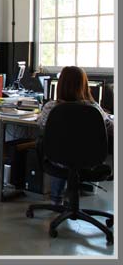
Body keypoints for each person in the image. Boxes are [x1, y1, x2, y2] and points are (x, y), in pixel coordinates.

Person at [38, 66, 113, 205]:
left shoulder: (50, 107)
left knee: (62, 154)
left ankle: (56, 200)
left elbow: (41, 125)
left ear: (60, 85)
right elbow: (110, 128)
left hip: (57, 158)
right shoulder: (94, 108)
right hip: (89, 160)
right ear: (84, 85)